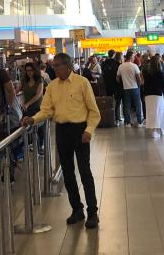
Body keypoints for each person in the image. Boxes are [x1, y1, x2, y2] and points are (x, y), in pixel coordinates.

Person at [22, 53, 100, 229]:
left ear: (68, 65)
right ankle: (77, 209)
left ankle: (93, 212)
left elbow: (94, 111)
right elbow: (47, 110)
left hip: (80, 130)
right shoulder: (52, 87)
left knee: (85, 171)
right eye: (54, 66)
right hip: (62, 131)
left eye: (57, 66)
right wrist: (32, 119)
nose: (54, 68)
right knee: (67, 172)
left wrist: (89, 130)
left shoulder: (82, 83)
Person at [142, 54, 164, 138]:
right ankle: (157, 129)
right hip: (157, 95)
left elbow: (145, 85)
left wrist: (144, 94)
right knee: (159, 112)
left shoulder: (145, 73)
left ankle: (152, 129)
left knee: (150, 112)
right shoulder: (160, 73)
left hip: (148, 95)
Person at [117, 52, 144, 127]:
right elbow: (138, 77)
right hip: (135, 88)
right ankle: (139, 122)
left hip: (126, 88)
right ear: (130, 57)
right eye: (133, 56)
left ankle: (128, 123)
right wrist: (139, 85)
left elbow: (117, 78)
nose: (134, 58)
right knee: (138, 105)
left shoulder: (121, 66)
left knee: (127, 106)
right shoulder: (134, 66)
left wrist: (123, 81)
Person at [101, 51, 123, 124]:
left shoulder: (104, 63)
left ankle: (109, 117)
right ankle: (117, 118)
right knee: (118, 101)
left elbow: (103, 73)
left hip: (107, 85)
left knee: (109, 101)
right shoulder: (117, 64)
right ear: (114, 55)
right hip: (116, 85)